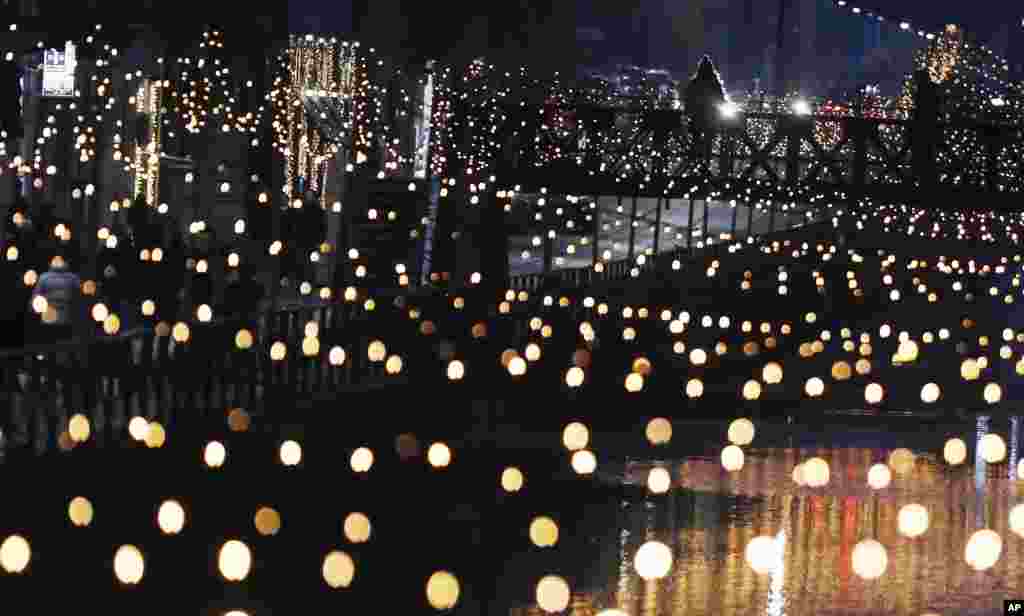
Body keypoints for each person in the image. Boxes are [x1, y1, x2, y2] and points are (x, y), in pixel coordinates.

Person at [30, 254, 84, 344]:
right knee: (55, 344)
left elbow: (81, 294)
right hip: (54, 317)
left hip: (64, 317)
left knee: (59, 344)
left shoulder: (71, 278)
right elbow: (35, 298)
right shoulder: (44, 278)